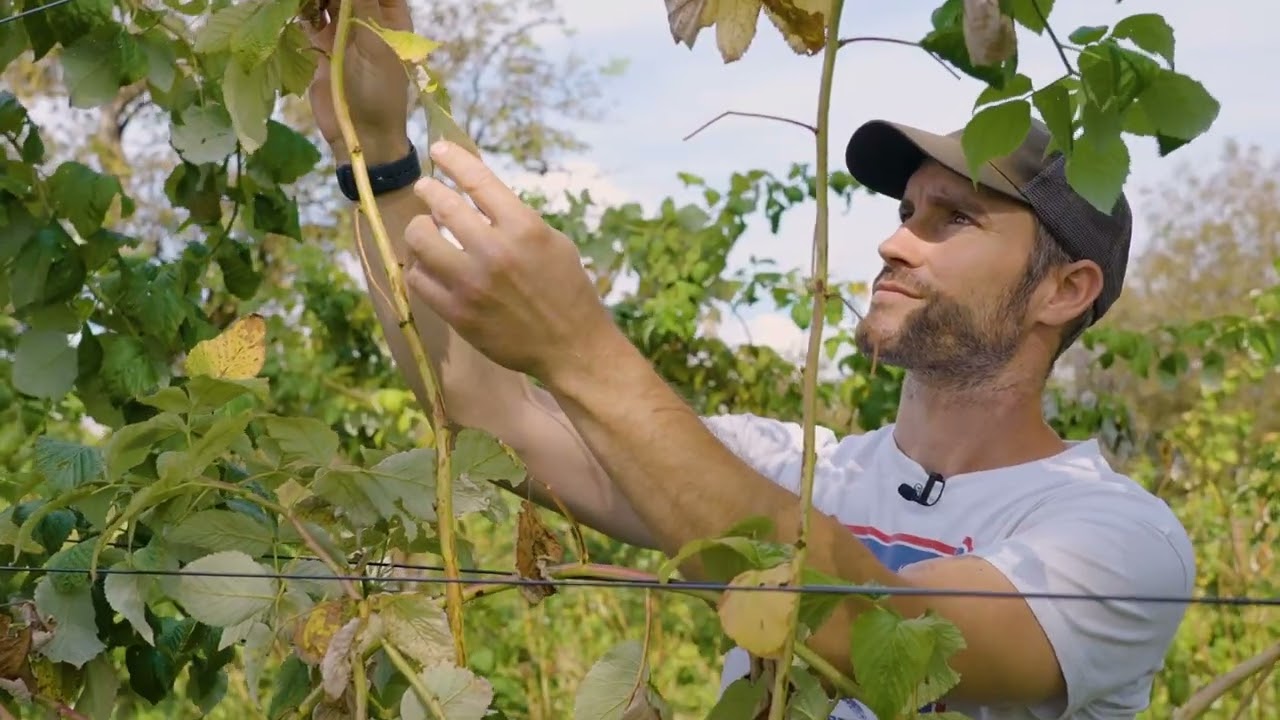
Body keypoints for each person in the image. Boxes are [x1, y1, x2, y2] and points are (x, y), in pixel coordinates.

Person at [305, 1, 1195, 718]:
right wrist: (375, 152)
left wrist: (579, 346)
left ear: (1065, 290)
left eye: (950, 219)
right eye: (903, 211)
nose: (894, 242)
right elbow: (482, 407)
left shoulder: (1117, 538)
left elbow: (864, 632)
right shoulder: (794, 468)